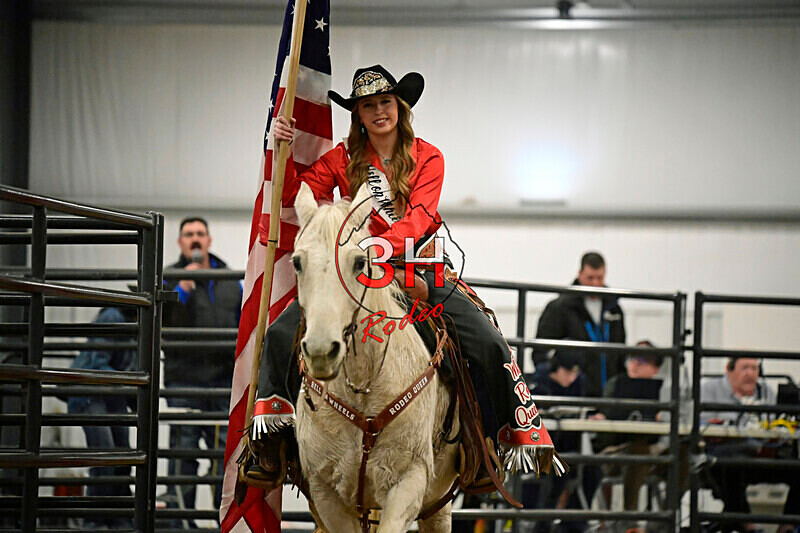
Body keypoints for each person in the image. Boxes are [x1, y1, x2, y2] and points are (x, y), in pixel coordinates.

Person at [251, 65, 563, 489]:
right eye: (368, 105)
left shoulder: (428, 156)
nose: (379, 111)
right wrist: (281, 150)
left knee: (485, 340)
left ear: (400, 106)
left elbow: (419, 219)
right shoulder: (342, 158)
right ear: (357, 114)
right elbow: (295, 195)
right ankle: (275, 444)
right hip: (356, 273)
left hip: (417, 269)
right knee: (280, 334)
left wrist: (378, 247)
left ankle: (489, 439)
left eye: (385, 102)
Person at [162, 217, 242, 521]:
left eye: (200, 234)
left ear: (209, 240)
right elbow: (163, 322)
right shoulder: (169, 277)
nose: (195, 239)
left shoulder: (231, 277)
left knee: (224, 455)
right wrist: (182, 287)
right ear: (181, 242)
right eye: (188, 234)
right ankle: (179, 522)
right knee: (182, 455)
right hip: (185, 383)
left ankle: (221, 520)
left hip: (222, 382)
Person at [701, 357, 800, 530]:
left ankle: (788, 525)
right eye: (745, 368)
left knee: (796, 469)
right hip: (722, 454)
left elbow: (776, 424)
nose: (750, 374)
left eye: (754, 368)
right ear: (729, 370)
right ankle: (746, 524)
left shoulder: (766, 391)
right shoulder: (709, 389)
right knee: (730, 464)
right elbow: (701, 423)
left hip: (760, 453)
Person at [67, 307, 137, 529]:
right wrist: (132, 386)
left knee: (122, 456)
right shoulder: (115, 318)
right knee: (105, 455)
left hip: (109, 393)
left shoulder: (136, 326)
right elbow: (98, 364)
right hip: (91, 390)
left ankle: (115, 518)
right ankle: (97, 521)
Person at [534, 252, 626, 397]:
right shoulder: (559, 307)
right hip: (573, 394)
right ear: (580, 273)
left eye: (599, 278)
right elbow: (540, 351)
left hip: (608, 396)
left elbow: (621, 350)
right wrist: (557, 370)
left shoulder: (615, 308)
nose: (595, 283)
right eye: (590, 278)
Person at [526, 353, 589, 533]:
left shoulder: (579, 383)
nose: (571, 377)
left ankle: (573, 524)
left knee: (592, 470)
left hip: (567, 446)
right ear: (555, 368)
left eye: (575, 373)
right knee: (557, 470)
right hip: (541, 447)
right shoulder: (539, 384)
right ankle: (542, 525)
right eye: (567, 372)